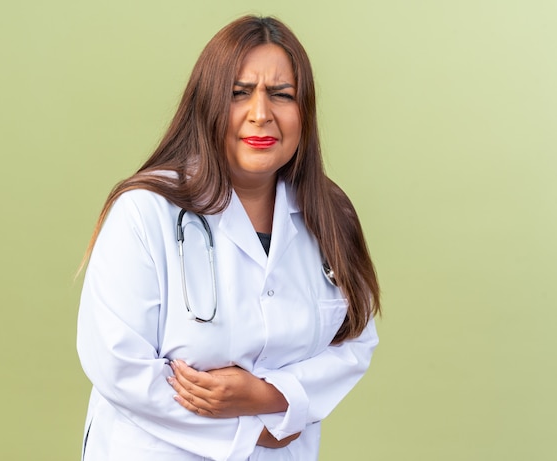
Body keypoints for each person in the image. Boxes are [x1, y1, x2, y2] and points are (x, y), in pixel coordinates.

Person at [76, 15, 381, 461]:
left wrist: (266, 396)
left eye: (282, 95)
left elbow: (355, 343)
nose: (261, 114)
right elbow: (119, 366)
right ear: (207, 104)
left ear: (305, 111)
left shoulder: (330, 214)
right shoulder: (145, 210)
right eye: (239, 93)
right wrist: (252, 432)